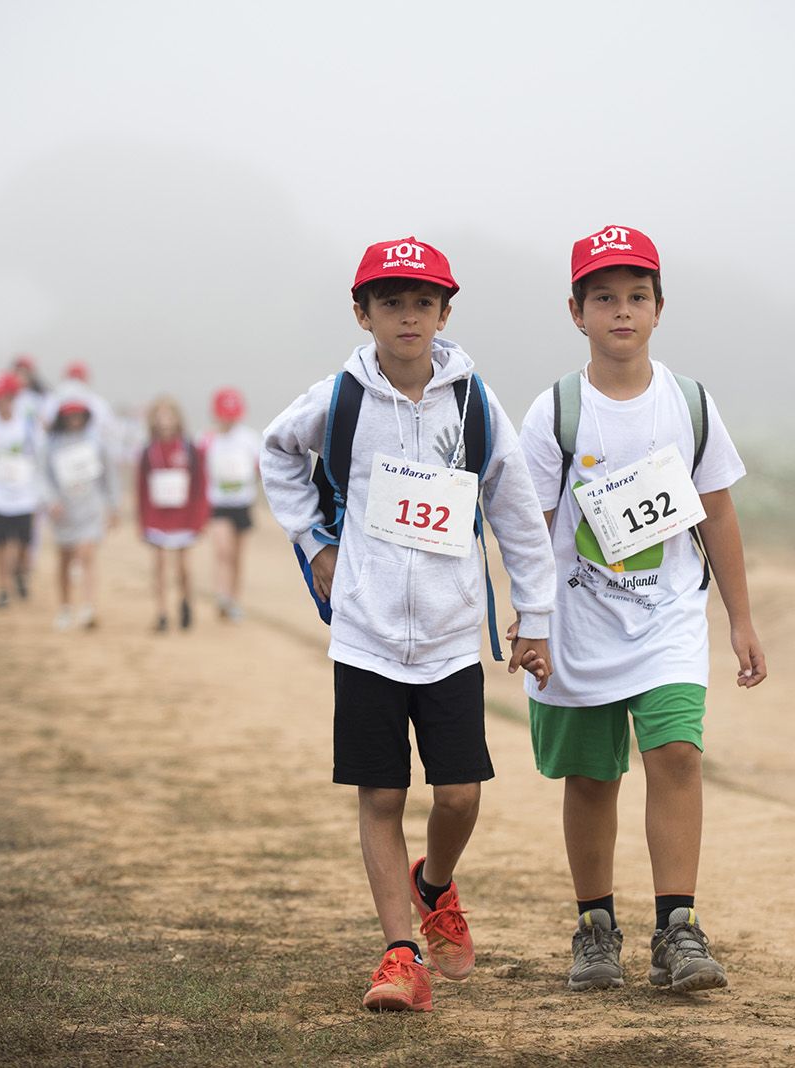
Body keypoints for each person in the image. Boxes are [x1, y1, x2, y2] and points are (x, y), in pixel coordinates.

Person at [260, 236, 556, 1013]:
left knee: (458, 795)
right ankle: (399, 956)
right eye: (389, 302)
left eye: (422, 302)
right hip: (366, 634)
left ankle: (435, 883)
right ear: (362, 314)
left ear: (445, 312)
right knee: (381, 796)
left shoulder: (475, 403)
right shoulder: (339, 400)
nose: (407, 316)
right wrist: (317, 543)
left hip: (454, 636)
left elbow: (517, 514)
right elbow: (276, 454)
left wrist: (537, 615)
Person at [516, 225, 767, 995]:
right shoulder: (554, 412)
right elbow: (528, 527)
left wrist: (741, 618)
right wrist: (531, 620)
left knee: (679, 757)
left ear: (659, 309)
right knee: (591, 778)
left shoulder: (688, 404)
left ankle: (678, 929)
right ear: (576, 311)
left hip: (667, 622)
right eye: (603, 298)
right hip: (579, 624)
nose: (620, 311)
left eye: (636, 297)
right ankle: (595, 929)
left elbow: (717, 513)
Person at [39, 395, 118, 630]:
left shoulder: (95, 443)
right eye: (70, 416)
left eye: (78, 416)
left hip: (90, 508)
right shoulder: (52, 445)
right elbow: (42, 476)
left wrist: (113, 505)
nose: (74, 420)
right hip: (63, 512)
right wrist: (50, 500)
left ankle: (88, 606)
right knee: (64, 559)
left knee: (86, 554)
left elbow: (108, 476)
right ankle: (65, 607)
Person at [136, 396, 210, 632]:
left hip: (183, 516)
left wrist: (200, 517)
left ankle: (186, 602)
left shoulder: (189, 449)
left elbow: (200, 484)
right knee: (158, 567)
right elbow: (141, 487)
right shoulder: (148, 451)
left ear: (178, 419)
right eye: (160, 416)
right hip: (157, 516)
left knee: (183, 567)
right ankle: (161, 613)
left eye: (169, 415)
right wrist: (142, 520)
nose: (164, 421)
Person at [0, 371, 41, 608]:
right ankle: (2, 588)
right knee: (0, 544)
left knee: (24, 542)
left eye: (1, 398)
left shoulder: (26, 425)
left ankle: (21, 572)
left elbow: (38, 455)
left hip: (23, 495)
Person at [202, 386, 260, 621]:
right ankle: (221, 594)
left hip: (243, 502)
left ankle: (234, 599)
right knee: (222, 550)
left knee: (237, 555)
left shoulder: (249, 439)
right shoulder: (207, 440)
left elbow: (260, 467)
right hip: (218, 504)